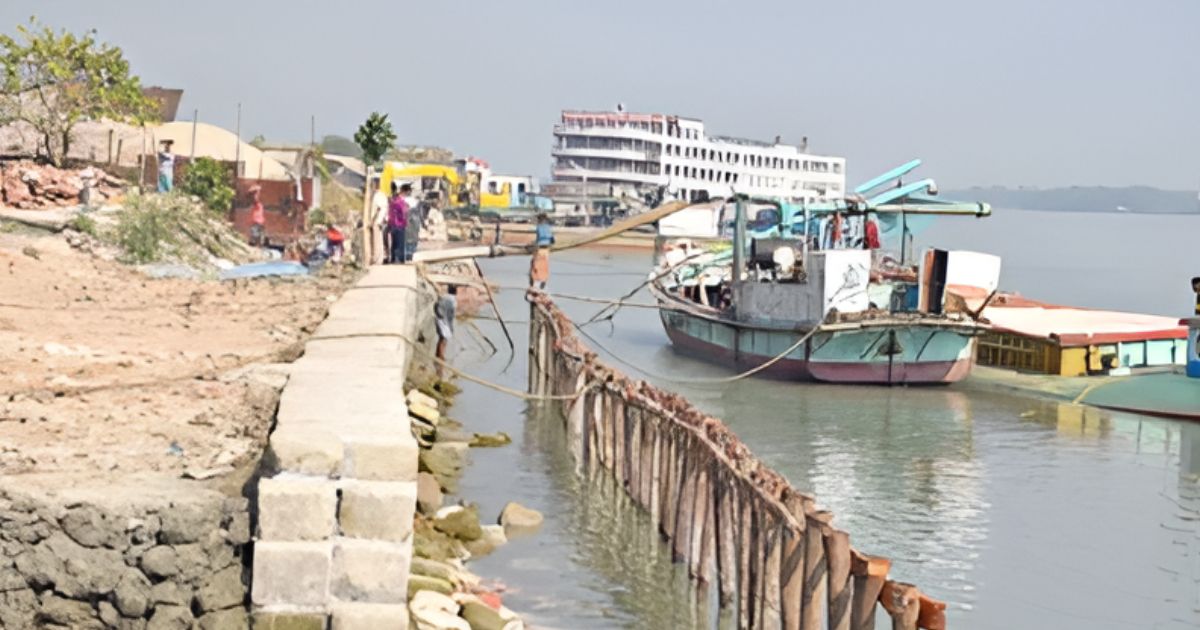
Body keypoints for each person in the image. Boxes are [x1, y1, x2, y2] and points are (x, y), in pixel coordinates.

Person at [434, 285, 457, 379]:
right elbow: (451, 314)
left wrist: (439, 315)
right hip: (445, 322)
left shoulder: (445, 297)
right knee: (444, 340)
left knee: (441, 338)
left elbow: (437, 305)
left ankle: (438, 355)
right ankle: (441, 356)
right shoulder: (452, 300)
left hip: (440, 319)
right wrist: (450, 326)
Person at [529, 213, 554, 289]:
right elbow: (552, 239)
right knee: (544, 266)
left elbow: (538, 238)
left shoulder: (539, 227)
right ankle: (543, 281)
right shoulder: (548, 227)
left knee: (535, 265)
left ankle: (534, 282)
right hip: (546, 249)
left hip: (540, 248)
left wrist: (533, 244)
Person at [387, 181, 410, 264]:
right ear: (405, 192)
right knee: (400, 243)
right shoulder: (401, 201)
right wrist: (406, 221)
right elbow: (404, 213)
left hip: (392, 223)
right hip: (400, 224)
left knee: (394, 243)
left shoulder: (393, 200)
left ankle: (393, 259)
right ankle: (399, 260)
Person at [371, 180, 389, 264]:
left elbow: (380, 209)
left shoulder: (378, 195)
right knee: (380, 240)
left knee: (377, 240)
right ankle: (379, 258)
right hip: (380, 220)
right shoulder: (382, 195)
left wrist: (376, 220)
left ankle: (378, 259)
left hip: (377, 220)